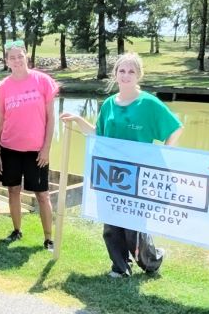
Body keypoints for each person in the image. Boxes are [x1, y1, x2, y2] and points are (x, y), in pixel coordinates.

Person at [60, 53, 183, 277]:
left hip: (137, 175)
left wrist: (163, 153)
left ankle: (151, 261)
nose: (126, 75)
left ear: (139, 75)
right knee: (111, 222)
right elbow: (99, 134)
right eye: (122, 71)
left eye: (131, 71)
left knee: (133, 224)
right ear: (115, 74)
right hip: (110, 173)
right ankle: (120, 266)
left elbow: (175, 128)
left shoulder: (148, 103)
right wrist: (78, 120)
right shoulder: (108, 104)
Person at [0, 40, 58, 251]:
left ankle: (49, 238)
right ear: (7, 61)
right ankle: (16, 230)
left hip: (36, 151)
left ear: (26, 57)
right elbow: (0, 121)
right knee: (13, 190)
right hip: (10, 148)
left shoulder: (43, 81)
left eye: (20, 56)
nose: (17, 60)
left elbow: (51, 119)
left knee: (42, 194)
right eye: (12, 57)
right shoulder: (3, 87)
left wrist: (46, 148)